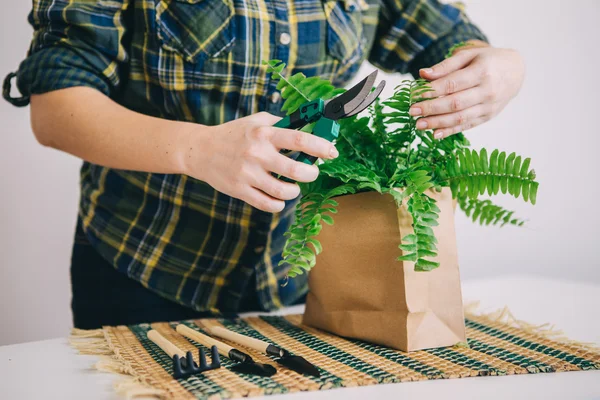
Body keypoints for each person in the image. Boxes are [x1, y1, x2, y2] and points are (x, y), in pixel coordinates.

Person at [3, 0, 524, 329]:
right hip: (145, 272)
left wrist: (500, 66)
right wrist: (198, 149)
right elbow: (55, 109)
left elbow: (444, 36)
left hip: (304, 281)